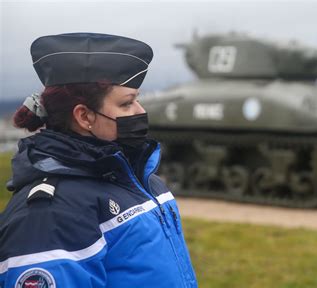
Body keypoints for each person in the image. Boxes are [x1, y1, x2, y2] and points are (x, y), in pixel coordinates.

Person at [0, 33, 197, 288]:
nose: (140, 112)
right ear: (84, 116)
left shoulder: (140, 180)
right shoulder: (50, 216)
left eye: (137, 99)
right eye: (127, 103)